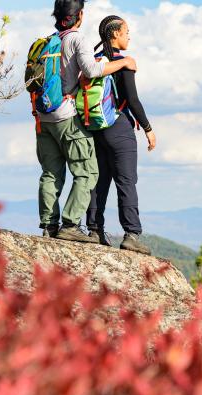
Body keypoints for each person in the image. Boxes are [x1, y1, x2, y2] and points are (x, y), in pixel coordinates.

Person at [36, 0, 137, 243]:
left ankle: (49, 225)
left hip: (43, 117)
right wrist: (123, 62)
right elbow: (91, 71)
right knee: (88, 172)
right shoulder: (76, 39)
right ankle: (70, 224)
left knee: (51, 173)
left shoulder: (46, 43)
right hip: (67, 115)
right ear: (79, 15)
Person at [85, 15, 157, 254]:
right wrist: (148, 129)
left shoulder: (95, 61)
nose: (129, 36)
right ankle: (131, 234)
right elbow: (133, 100)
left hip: (95, 127)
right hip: (119, 127)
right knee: (126, 181)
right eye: (126, 32)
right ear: (115, 34)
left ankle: (95, 229)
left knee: (99, 180)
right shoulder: (123, 62)